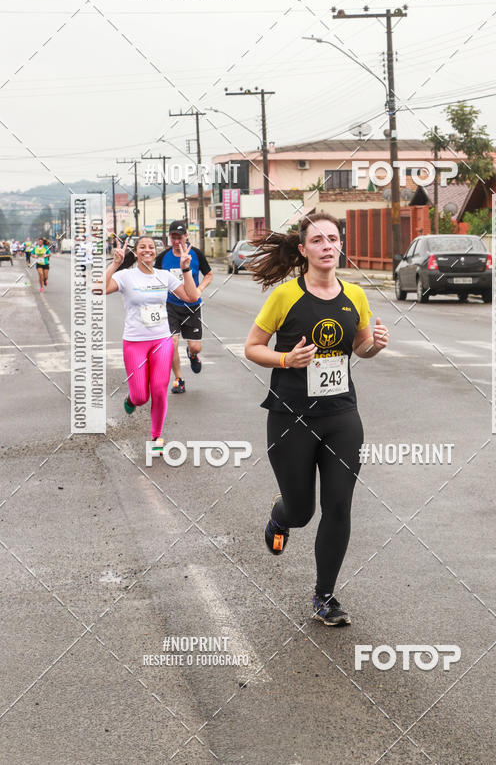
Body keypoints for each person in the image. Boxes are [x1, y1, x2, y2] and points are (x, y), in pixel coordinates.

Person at [244, 213, 389, 626]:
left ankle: (324, 596)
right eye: (319, 240)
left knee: (339, 505)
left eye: (334, 239)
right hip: (290, 417)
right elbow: (253, 347)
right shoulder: (285, 296)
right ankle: (280, 516)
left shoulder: (355, 296)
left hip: (341, 415)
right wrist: (287, 359)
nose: (328, 245)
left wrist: (375, 345)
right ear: (304, 249)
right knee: (302, 510)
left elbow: (360, 347)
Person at [105, 235, 199, 453]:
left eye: (151, 247)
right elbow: (98, 289)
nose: (147, 250)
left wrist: (186, 269)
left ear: (156, 251)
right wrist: (115, 264)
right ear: (136, 252)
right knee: (140, 396)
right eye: (142, 247)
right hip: (135, 342)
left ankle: (157, 437)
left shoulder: (164, 276)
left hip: (162, 341)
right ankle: (132, 397)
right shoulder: (126, 276)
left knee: (159, 390)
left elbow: (192, 296)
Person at [154, 220, 213, 395]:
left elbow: (208, 274)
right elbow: (154, 277)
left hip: (192, 306)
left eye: (180, 237)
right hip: (171, 306)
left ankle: (192, 355)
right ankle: (178, 379)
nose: (177, 240)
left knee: (195, 346)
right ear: (169, 237)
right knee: (171, 344)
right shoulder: (164, 257)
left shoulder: (195, 254)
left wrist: (199, 290)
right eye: (173, 237)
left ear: (186, 236)